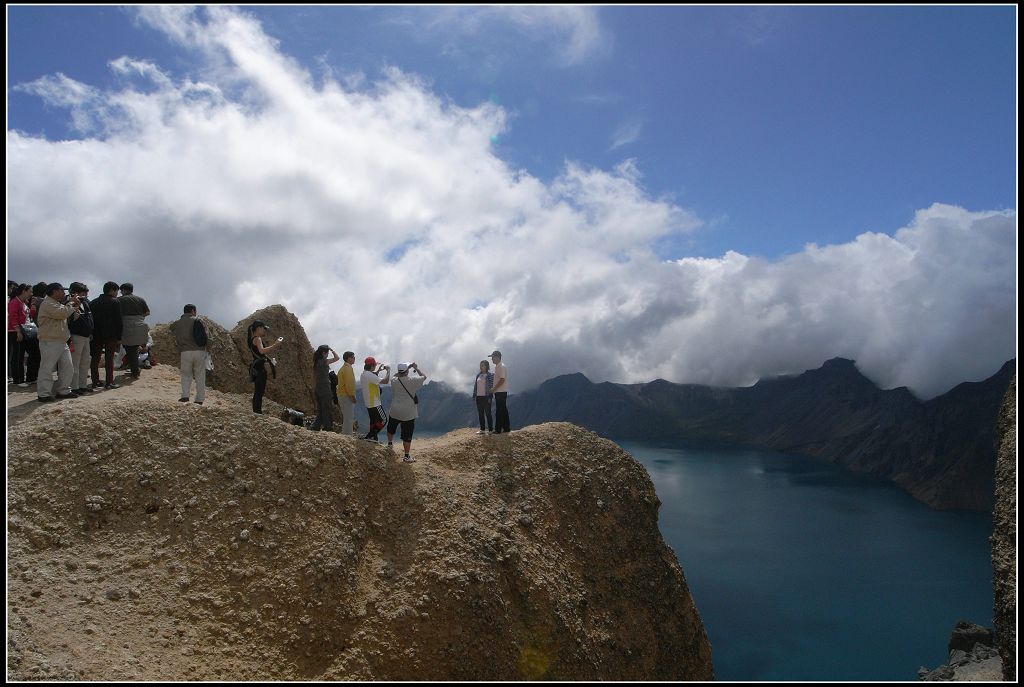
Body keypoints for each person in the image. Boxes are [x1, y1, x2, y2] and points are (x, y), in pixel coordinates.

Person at [36, 283, 82, 402]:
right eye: (62, 290)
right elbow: (62, 313)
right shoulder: (48, 303)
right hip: (49, 340)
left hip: (61, 341)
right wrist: (71, 303)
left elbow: (68, 316)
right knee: (47, 368)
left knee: (68, 367)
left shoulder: (57, 304)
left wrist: (75, 307)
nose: (64, 293)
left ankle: (63, 390)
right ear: (54, 291)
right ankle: (43, 393)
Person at [386, 362, 428, 462]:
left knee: (391, 427)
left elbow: (395, 376)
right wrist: (416, 368)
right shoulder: (412, 380)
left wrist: (403, 370)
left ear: (399, 371)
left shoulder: (394, 381)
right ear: (407, 371)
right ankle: (406, 456)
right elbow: (424, 376)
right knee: (407, 434)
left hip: (395, 410)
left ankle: (389, 444)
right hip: (408, 412)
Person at [170, 304, 208, 405]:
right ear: (193, 311)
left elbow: (171, 330)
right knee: (200, 375)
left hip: (185, 351)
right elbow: (206, 336)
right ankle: (199, 399)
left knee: (186, 375)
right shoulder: (198, 320)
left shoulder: (177, 323)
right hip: (199, 351)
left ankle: (185, 396)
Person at [90, 281, 123, 389]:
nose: (117, 293)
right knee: (109, 358)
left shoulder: (93, 302)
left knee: (95, 358)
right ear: (112, 290)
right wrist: (119, 336)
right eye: (116, 291)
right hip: (111, 334)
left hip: (96, 333)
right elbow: (118, 320)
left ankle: (95, 381)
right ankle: (109, 382)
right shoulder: (115, 302)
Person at [248, 319, 283, 414]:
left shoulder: (252, 339)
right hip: (260, 367)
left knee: (258, 390)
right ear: (258, 328)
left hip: (256, 366)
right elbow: (262, 351)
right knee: (259, 391)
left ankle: (256, 411)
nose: (264, 331)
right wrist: (275, 345)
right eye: (263, 328)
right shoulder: (257, 339)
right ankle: (257, 412)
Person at [118, 283, 150, 379]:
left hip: (126, 325)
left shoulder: (120, 300)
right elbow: (147, 312)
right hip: (140, 325)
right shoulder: (140, 299)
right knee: (135, 348)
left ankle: (134, 370)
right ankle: (135, 370)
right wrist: (139, 318)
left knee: (128, 348)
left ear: (123, 290)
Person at [67, 282, 95, 394]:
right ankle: (74, 386)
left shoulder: (86, 303)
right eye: (84, 292)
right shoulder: (70, 303)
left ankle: (82, 385)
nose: (86, 294)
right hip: (76, 336)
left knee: (85, 362)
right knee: (75, 362)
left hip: (86, 336)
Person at [360, 356, 390, 442]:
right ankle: (370, 436)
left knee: (373, 421)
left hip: (369, 403)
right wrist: (388, 370)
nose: (375, 367)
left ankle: (373, 438)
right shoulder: (369, 375)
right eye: (374, 365)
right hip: (375, 403)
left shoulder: (364, 374)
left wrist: (378, 371)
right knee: (383, 420)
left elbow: (373, 377)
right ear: (372, 366)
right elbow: (385, 381)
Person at [7, 284, 32, 387]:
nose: (31, 294)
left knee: (20, 355)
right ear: (23, 291)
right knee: (17, 356)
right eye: (30, 291)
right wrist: (18, 331)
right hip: (14, 331)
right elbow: (13, 317)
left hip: (22, 331)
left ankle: (21, 377)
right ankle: (18, 380)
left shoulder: (23, 303)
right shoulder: (14, 302)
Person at [310, 345, 341, 431]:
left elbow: (313, 377)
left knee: (320, 409)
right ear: (324, 353)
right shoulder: (324, 361)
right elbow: (337, 358)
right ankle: (327, 427)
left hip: (318, 388)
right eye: (327, 353)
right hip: (325, 388)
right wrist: (332, 350)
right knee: (326, 408)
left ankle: (315, 426)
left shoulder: (315, 363)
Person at [337, 351, 358, 435]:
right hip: (346, 396)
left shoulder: (343, 368)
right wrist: (352, 396)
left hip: (342, 395)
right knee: (349, 418)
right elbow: (349, 384)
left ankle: (345, 435)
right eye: (353, 357)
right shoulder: (348, 368)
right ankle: (348, 436)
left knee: (346, 417)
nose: (354, 359)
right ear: (348, 358)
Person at [490, 350, 511, 433]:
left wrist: (494, 389)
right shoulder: (499, 366)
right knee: (503, 410)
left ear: (497, 357)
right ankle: (506, 428)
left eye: (492, 357)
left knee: (499, 410)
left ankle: (498, 429)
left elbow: (502, 379)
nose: (492, 359)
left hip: (500, 392)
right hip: (501, 391)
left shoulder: (501, 366)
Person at [473, 359, 495, 434]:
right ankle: (482, 429)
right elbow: (475, 386)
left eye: (482, 365)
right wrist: (474, 395)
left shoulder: (490, 375)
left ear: (486, 366)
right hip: (478, 397)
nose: (481, 367)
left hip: (486, 397)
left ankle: (490, 430)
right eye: (480, 365)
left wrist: (490, 397)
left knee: (488, 413)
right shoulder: (478, 375)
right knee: (480, 413)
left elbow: (492, 387)